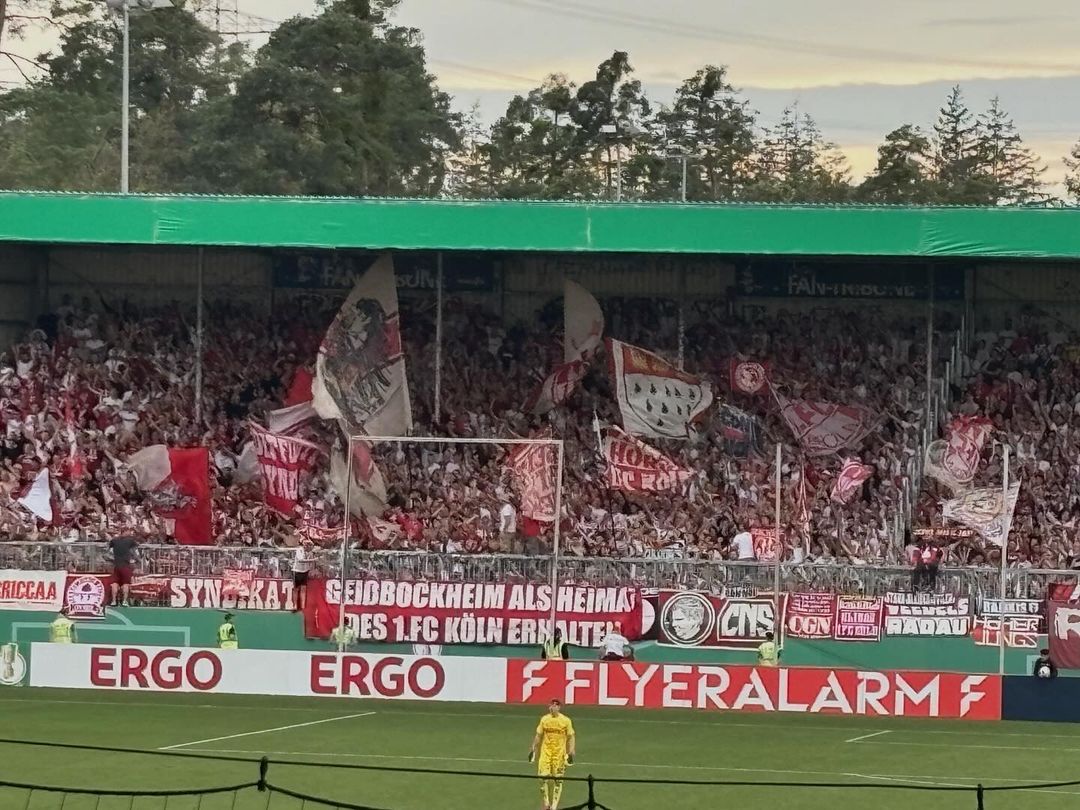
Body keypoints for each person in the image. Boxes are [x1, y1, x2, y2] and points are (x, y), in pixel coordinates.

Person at [528, 699, 575, 810]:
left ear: (559, 708)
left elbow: (571, 736)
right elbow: (538, 735)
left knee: (558, 780)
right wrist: (533, 748)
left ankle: (554, 806)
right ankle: (546, 802)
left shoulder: (565, 721)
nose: (553, 707)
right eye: (551, 705)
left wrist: (571, 750)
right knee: (542, 777)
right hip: (546, 753)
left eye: (555, 705)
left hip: (559, 755)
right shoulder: (544, 720)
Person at [107, 535, 138, 607]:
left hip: (117, 566)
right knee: (125, 584)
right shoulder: (129, 540)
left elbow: (108, 549)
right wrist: (136, 560)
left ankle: (114, 601)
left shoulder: (114, 541)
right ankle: (124, 601)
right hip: (125, 566)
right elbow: (136, 548)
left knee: (115, 583)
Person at [292, 540, 315, 612]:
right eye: (309, 546)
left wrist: (311, 569)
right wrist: (313, 560)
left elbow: (311, 563)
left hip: (305, 571)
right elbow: (301, 560)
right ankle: (295, 605)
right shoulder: (299, 550)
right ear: (305, 546)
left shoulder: (310, 552)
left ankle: (303, 606)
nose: (310, 548)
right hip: (297, 571)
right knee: (296, 589)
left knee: (303, 589)